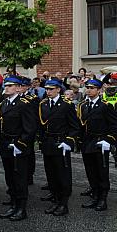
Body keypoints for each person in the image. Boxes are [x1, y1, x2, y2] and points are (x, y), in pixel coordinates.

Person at [38, 78, 79, 216]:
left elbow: (74, 127)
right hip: (48, 143)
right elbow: (41, 126)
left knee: (63, 175)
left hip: (61, 143)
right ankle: (55, 200)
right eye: (47, 89)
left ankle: (63, 203)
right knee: (51, 174)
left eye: (51, 89)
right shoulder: (43, 104)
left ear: (58, 89)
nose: (48, 91)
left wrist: (68, 141)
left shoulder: (66, 105)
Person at [0, 76, 36, 221]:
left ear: (19, 88)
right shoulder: (4, 103)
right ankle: (13, 205)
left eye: (11, 86)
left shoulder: (24, 104)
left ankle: (21, 208)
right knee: (10, 177)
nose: (6, 88)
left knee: (20, 178)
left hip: (18, 146)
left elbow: (30, 128)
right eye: (5, 85)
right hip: (6, 145)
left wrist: (20, 143)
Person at [78, 79, 117, 211]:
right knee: (90, 171)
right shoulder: (83, 105)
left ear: (99, 90)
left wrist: (108, 140)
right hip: (87, 142)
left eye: (92, 88)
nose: (89, 90)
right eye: (87, 87)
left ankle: (102, 198)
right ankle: (94, 196)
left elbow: (115, 125)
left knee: (102, 171)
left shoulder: (105, 106)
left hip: (100, 142)